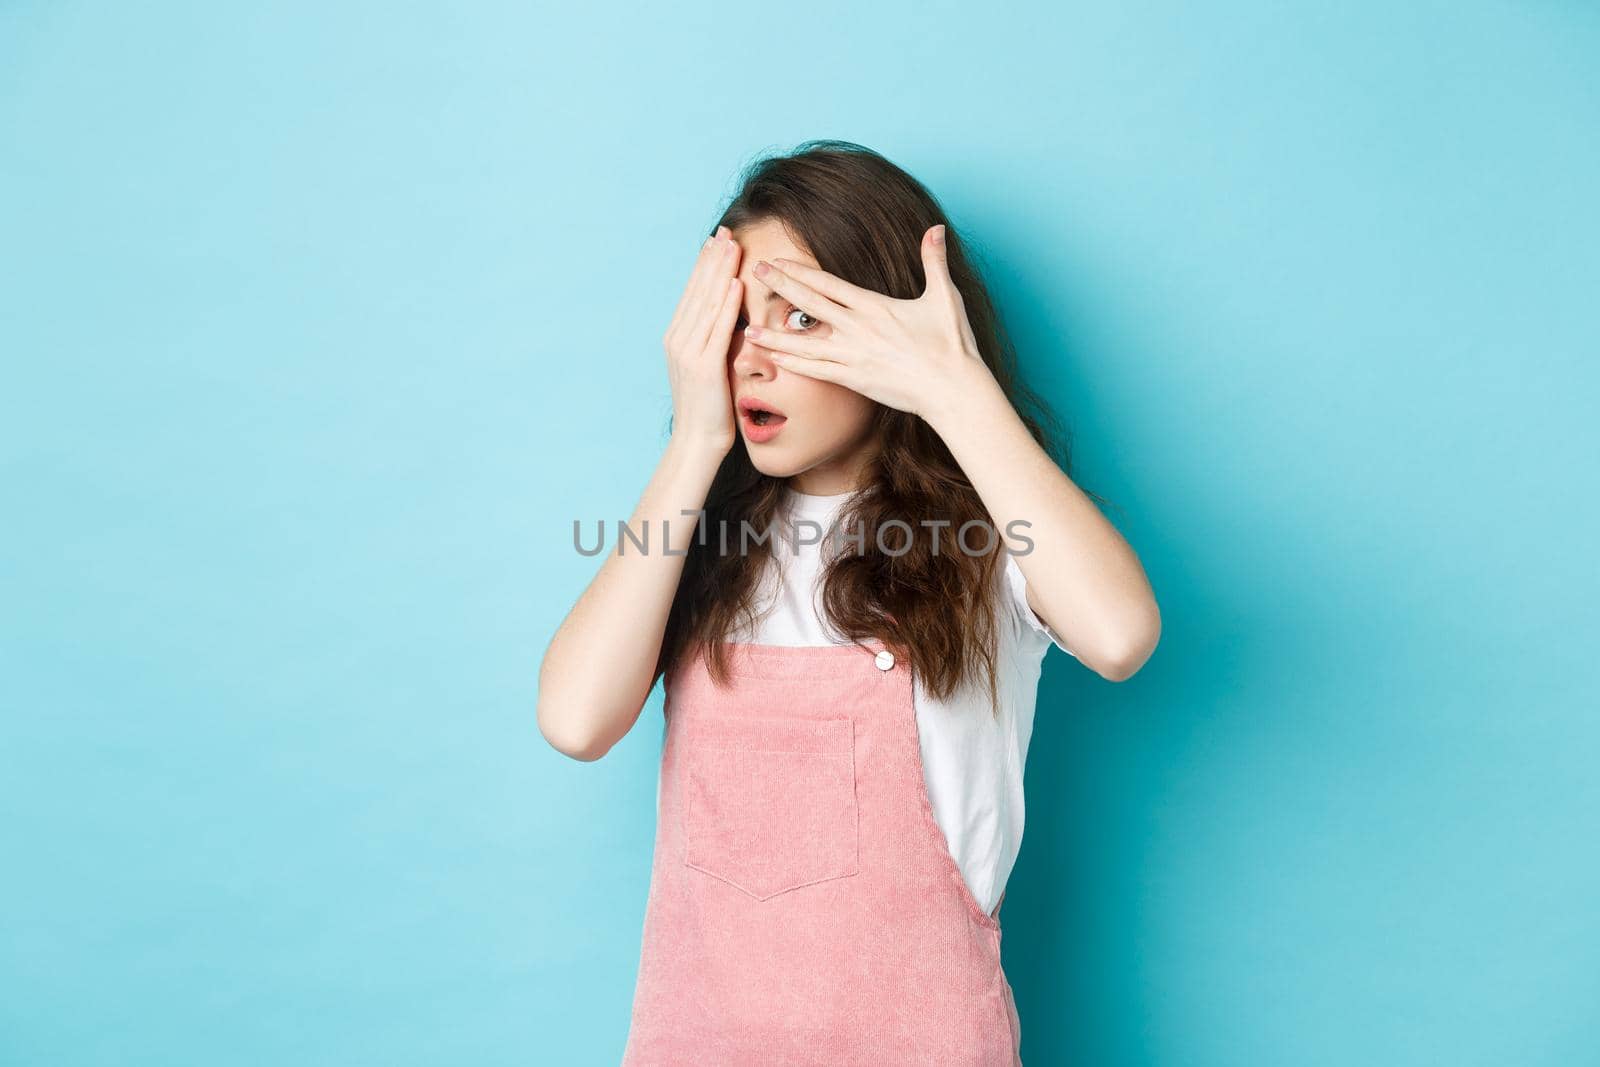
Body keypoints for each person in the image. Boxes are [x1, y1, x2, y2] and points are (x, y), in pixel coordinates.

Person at [538, 140, 1161, 1065]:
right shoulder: (697, 546)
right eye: (734, 322)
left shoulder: (986, 538)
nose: (756, 355)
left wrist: (951, 385)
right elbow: (577, 719)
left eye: (799, 316)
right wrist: (692, 447)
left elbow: (1119, 634)